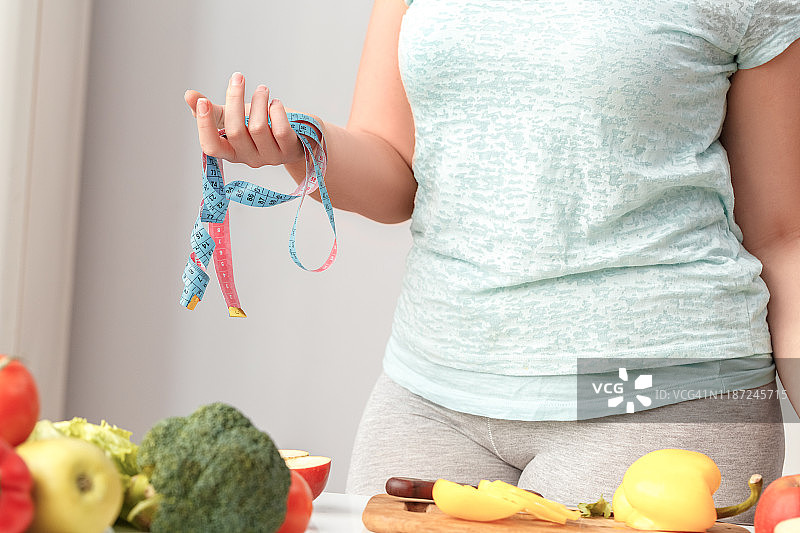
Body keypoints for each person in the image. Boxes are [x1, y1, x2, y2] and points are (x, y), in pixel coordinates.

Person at [185, 0, 800, 524]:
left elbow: (782, 234)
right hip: (429, 394)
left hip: (655, 396)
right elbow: (395, 168)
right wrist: (303, 147)